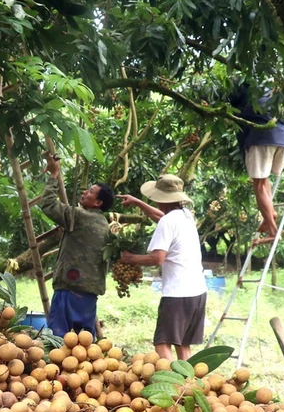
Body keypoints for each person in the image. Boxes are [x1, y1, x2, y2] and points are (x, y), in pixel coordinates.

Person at [118, 174, 206, 361]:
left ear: (159, 198)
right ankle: (188, 385)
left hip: (177, 294)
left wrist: (130, 258)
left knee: (162, 342)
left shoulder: (168, 221)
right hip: (197, 291)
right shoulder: (185, 215)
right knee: (183, 343)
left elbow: (157, 258)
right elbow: (161, 216)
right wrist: (139, 203)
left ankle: (172, 384)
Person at [37, 154, 113, 336]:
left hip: (69, 290)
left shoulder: (79, 217)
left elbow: (48, 204)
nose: (85, 192)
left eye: (90, 192)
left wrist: (54, 175)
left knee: (59, 339)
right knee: (84, 341)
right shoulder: (105, 225)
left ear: (98, 202)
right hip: (88, 294)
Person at [229, 82, 284, 245]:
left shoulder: (243, 88)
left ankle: (273, 231)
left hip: (261, 138)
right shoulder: (271, 89)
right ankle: (269, 214)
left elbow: (229, 102)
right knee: (264, 180)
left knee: (258, 185)